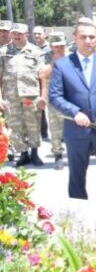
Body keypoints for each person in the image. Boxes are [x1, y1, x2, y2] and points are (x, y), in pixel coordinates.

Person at [48, 20, 96, 202]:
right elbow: (55, 96)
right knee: (77, 172)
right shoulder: (63, 65)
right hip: (76, 129)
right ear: (75, 38)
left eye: (92, 37)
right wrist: (75, 112)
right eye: (83, 37)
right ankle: (77, 209)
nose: (88, 40)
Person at [0, 23, 45, 167]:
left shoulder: (36, 52)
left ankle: (35, 153)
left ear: (27, 35)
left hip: (30, 96)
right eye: (14, 34)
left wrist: (43, 96)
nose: (17, 36)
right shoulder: (4, 52)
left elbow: (43, 76)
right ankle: (23, 153)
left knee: (33, 125)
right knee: (14, 126)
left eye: (20, 34)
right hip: (10, 96)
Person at [39, 31, 68, 169]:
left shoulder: (73, 56)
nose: (59, 49)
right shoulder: (45, 57)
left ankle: (79, 153)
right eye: (56, 46)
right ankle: (58, 155)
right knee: (56, 128)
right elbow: (42, 74)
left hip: (72, 97)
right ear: (51, 46)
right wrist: (54, 62)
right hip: (55, 97)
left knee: (76, 126)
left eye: (62, 45)